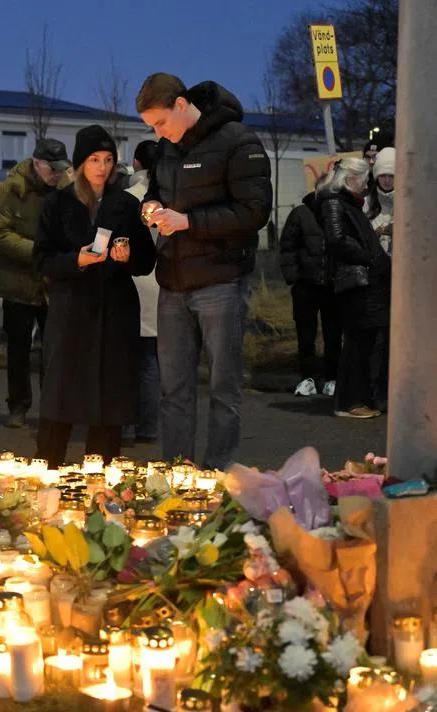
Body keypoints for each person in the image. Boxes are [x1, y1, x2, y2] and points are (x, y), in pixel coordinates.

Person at [135, 73, 272, 468]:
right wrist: (150, 208)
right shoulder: (168, 148)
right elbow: (155, 191)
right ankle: (176, 474)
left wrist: (188, 222)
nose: (158, 133)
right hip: (173, 282)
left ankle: (218, 476)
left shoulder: (238, 142)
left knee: (222, 387)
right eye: (152, 128)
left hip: (221, 283)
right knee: (173, 388)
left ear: (181, 105)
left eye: (160, 123)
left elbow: (254, 211)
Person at [33, 125, 156, 466]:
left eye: (108, 159)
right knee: (61, 399)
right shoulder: (58, 203)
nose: (102, 167)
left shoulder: (127, 204)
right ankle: (47, 473)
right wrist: (77, 259)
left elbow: (147, 260)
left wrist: (129, 257)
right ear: (79, 163)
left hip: (115, 315)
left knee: (108, 405)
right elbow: (42, 259)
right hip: (72, 313)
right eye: (94, 159)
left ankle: (100, 483)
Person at [0, 138, 70, 428]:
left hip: (53, 285)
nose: (58, 175)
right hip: (19, 282)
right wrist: (36, 252)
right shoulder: (12, 189)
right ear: (37, 164)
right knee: (18, 349)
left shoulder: (65, 187)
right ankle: (18, 406)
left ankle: (52, 408)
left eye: (62, 169)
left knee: (54, 349)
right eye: (53, 169)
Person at [321, 157, 390, 419]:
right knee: (357, 344)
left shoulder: (347, 203)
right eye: (363, 180)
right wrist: (369, 258)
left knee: (365, 343)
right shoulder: (336, 202)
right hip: (358, 283)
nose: (366, 185)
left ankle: (360, 398)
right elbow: (337, 239)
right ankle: (349, 402)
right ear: (351, 179)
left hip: (367, 281)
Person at [280, 184, 340, 399]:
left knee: (333, 335)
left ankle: (332, 378)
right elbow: (288, 246)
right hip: (306, 285)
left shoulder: (338, 211)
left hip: (332, 285)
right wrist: (294, 277)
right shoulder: (301, 214)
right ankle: (308, 378)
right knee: (306, 335)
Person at [126, 139, 162, 443]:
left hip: (132, 285)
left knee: (127, 359)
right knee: (152, 360)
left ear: (136, 164)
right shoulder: (170, 197)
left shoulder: (126, 198)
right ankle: (150, 426)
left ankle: (124, 424)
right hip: (162, 285)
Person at [367, 147, 395, 256]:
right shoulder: (366, 202)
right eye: (382, 175)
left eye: (391, 176)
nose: (387, 181)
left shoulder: (412, 204)